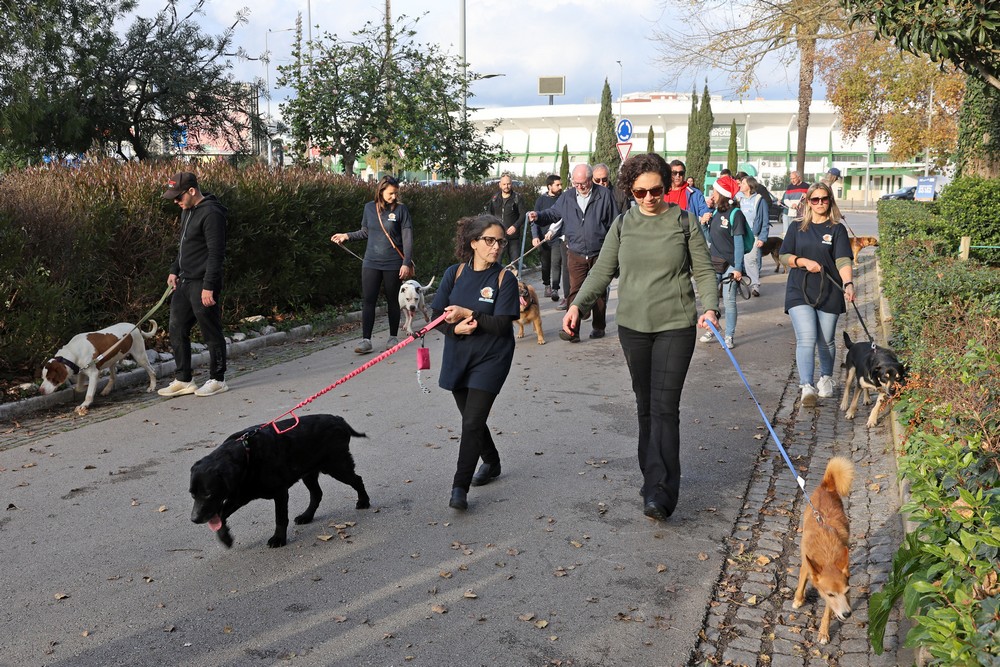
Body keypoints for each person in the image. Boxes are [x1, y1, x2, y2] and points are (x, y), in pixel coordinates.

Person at [561, 152, 720, 522]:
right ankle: (651, 477)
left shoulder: (684, 222)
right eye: (640, 192)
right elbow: (601, 271)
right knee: (645, 407)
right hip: (634, 328)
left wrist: (710, 308)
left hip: (675, 326)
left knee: (665, 408)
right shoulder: (622, 225)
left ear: (667, 186)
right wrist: (577, 307)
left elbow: (705, 272)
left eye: (656, 190)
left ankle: (661, 493)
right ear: (630, 191)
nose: (649, 198)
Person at [430, 214, 520, 511]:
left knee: (471, 422)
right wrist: (453, 328)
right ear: (474, 243)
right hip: (459, 355)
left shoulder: (504, 278)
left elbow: (503, 325)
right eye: (489, 240)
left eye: (501, 242)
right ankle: (492, 462)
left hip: (492, 357)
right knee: (472, 419)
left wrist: (471, 314)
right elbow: (436, 319)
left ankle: (459, 487)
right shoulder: (453, 274)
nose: (496, 247)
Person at [779, 182, 855, 407]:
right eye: (815, 199)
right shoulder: (796, 227)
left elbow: (842, 259)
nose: (820, 203)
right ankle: (806, 386)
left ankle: (826, 378)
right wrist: (802, 261)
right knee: (807, 337)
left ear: (830, 201)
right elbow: (784, 256)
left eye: (824, 199)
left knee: (826, 340)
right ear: (808, 202)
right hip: (799, 289)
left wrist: (848, 283)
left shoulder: (837, 229)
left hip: (829, 289)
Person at [157, 171, 230, 398]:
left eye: (178, 197)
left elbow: (215, 253)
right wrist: (174, 270)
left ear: (191, 191)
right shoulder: (187, 211)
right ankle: (184, 379)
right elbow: (184, 245)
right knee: (176, 328)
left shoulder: (212, 213)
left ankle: (217, 379)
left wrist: (209, 286)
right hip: (185, 280)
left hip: (203, 282)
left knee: (210, 330)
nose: (176, 202)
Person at [529, 164, 620, 341]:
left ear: (590, 179)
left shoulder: (604, 195)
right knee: (574, 290)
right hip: (576, 251)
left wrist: (614, 250)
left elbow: (615, 223)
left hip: (599, 252)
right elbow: (553, 213)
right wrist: (538, 216)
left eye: (583, 183)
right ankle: (572, 330)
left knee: (599, 291)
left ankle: (598, 326)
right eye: (575, 183)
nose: (579, 187)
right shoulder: (568, 196)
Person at [331, 175, 415, 354]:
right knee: (368, 301)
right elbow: (365, 232)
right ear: (381, 191)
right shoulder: (369, 208)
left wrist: (406, 263)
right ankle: (366, 340)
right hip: (371, 262)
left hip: (393, 263)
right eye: (391, 193)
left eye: (396, 193)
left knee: (393, 300)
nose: (394, 197)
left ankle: (393, 337)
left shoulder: (401, 210)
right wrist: (347, 236)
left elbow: (407, 238)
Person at [699, 175, 747, 349]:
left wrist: (738, 268)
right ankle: (713, 328)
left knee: (729, 301)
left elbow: (739, 244)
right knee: (712, 301)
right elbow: (710, 240)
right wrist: (704, 225)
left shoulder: (736, 214)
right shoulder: (714, 213)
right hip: (714, 262)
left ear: (722, 193)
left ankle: (729, 336)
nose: (712, 194)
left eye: (714, 190)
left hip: (731, 265)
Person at [664, 159, 711, 243]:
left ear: (684, 174)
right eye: (674, 173)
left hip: (687, 237)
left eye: (681, 173)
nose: (677, 176)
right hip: (665, 236)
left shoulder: (695, 193)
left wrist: (710, 210)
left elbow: (705, 211)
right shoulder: (662, 192)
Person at [531, 175, 562, 300]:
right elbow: (534, 219)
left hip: (557, 237)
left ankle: (555, 288)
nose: (560, 187)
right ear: (550, 186)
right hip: (543, 238)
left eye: (561, 185)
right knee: (545, 264)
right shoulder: (541, 200)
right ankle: (547, 285)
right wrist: (535, 236)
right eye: (557, 185)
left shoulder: (562, 199)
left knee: (556, 263)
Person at [739, 175, 770, 297]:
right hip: (739, 234)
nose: (740, 185)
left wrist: (762, 238)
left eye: (743, 183)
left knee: (751, 261)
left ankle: (755, 286)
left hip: (752, 235)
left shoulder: (759, 200)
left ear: (750, 186)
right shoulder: (739, 199)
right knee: (738, 261)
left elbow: (765, 220)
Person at [485, 174, 526, 266]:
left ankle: (513, 280)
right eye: (504, 184)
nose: (506, 186)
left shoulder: (517, 198)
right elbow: (489, 214)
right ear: (500, 185)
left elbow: (523, 215)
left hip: (513, 237)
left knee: (514, 264)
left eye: (508, 184)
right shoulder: (494, 198)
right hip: (498, 237)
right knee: (495, 263)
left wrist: (515, 226)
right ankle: (496, 280)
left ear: (511, 184)